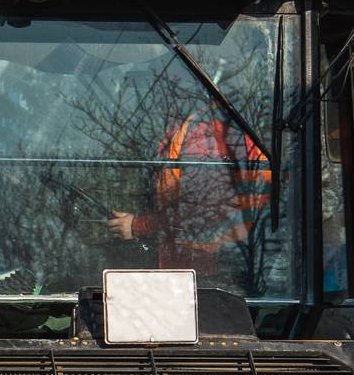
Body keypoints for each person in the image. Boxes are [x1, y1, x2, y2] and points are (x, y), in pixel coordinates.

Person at [108, 108, 270, 278]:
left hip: (202, 269)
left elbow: (202, 213)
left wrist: (138, 225)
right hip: (219, 261)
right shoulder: (228, 126)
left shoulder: (207, 131)